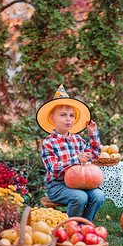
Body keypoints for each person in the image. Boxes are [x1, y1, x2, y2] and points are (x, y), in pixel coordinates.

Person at [36, 84, 105, 221]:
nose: (68, 119)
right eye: (63, 115)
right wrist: (76, 159)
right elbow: (54, 169)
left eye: (71, 115)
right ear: (52, 118)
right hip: (57, 186)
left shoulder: (77, 139)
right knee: (80, 197)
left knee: (98, 195)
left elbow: (94, 154)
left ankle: (84, 225)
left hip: (79, 184)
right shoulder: (48, 143)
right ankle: (69, 227)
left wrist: (93, 134)